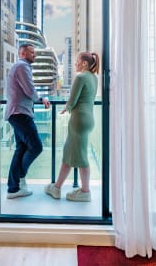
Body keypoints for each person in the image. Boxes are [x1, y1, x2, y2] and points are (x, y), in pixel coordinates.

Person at [44, 52, 99, 202]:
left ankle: (85, 191)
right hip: (88, 118)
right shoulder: (94, 77)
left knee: (81, 156)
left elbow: (73, 100)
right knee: (69, 153)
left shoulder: (81, 77)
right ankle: (57, 187)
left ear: (85, 64)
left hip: (79, 120)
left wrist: (65, 108)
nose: (75, 64)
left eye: (77, 61)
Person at [5, 43, 50, 199]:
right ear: (23, 54)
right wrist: (41, 98)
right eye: (32, 52)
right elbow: (29, 90)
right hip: (19, 113)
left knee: (21, 148)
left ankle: (13, 188)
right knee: (36, 146)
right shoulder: (22, 66)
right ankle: (19, 178)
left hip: (17, 112)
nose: (34, 55)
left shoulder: (20, 66)